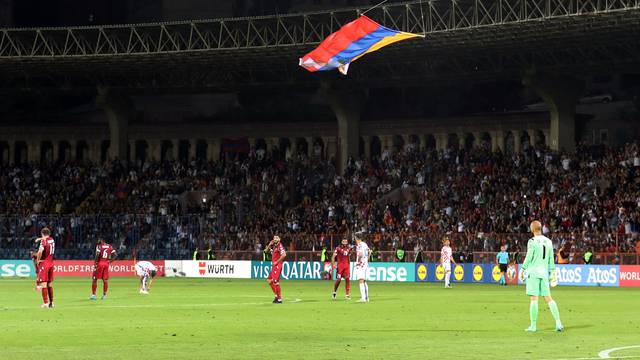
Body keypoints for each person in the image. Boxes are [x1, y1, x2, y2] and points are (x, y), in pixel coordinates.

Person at [520, 220, 564, 332]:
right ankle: (558, 323)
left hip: (533, 273)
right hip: (544, 273)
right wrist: (553, 272)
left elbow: (529, 257)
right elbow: (551, 259)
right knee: (548, 298)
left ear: (532, 229)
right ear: (540, 228)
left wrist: (523, 268)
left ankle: (533, 326)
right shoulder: (548, 241)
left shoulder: (532, 241)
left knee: (534, 299)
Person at [35, 227, 55, 308]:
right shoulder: (52, 240)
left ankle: (45, 303)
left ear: (42, 234)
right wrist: (39, 239)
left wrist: (38, 260)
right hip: (51, 263)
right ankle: (51, 303)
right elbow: (46, 239)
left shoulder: (43, 241)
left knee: (44, 284)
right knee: (50, 284)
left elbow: (40, 251)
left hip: (44, 263)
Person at [265, 235, 286, 304]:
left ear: (279, 239)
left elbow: (284, 255)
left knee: (275, 281)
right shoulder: (274, 247)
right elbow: (265, 251)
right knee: (269, 280)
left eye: (276, 238)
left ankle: (279, 299)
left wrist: (277, 261)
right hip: (274, 266)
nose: (275, 239)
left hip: (277, 265)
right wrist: (269, 245)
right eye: (274, 238)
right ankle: (276, 295)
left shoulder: (280, 246)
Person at [355, 233, 370, 303]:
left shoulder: (360, 245)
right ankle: (366, 298)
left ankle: (363, 298)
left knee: (361, 280)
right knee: (364, 280)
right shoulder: (365, 244)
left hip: (361, 264)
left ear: (356, 238)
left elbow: (360, 254)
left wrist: (358, 261)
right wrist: (366, 259)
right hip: (365, 263)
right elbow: (369, 252)